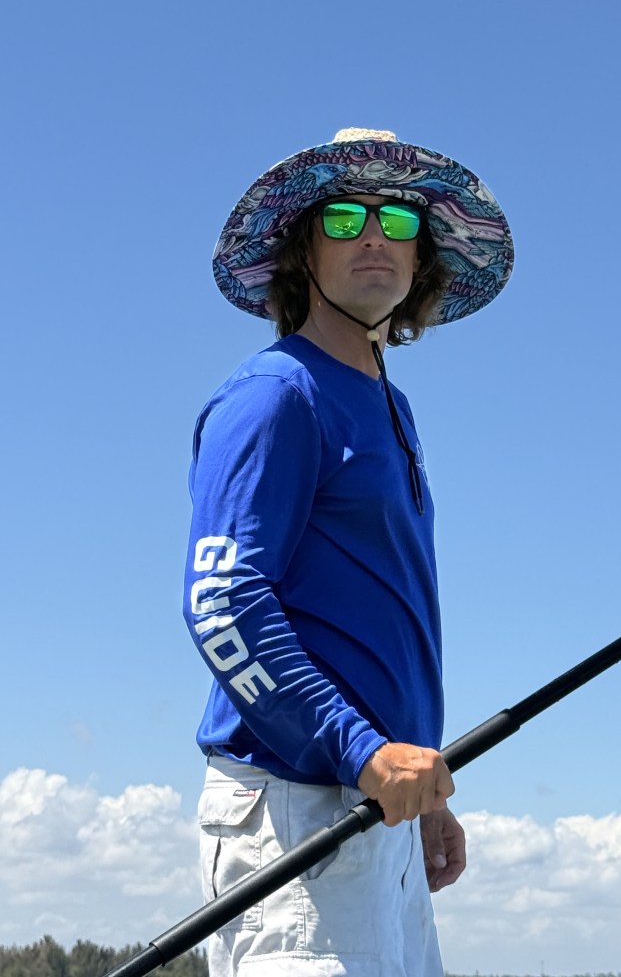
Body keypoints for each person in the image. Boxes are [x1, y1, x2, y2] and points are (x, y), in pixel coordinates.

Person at [183, 128, 514, 976]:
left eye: (397, 220)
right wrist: (363, 752)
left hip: (378, 812)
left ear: (422, 257)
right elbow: (222, 602)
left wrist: (418, 786)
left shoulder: (394, 411)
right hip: (294, 813)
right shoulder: (275, 394)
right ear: (304, 251)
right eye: (343, 216)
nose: (373, 235)